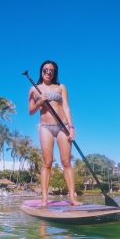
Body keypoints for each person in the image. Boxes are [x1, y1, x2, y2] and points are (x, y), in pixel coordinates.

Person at [28, 60, 82, 206]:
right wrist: (40, 102)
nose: (48, 72)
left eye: (51, 70)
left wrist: (71, 127)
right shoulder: (34, 89)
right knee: (47, 162)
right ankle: (44, 199)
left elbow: (66, 107)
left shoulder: (61, 87)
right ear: (41, 71)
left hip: (62, 126)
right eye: (45, 69)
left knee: (66, 162)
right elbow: (31, 111)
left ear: (54, 72)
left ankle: (72, 197)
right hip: (45, 127)